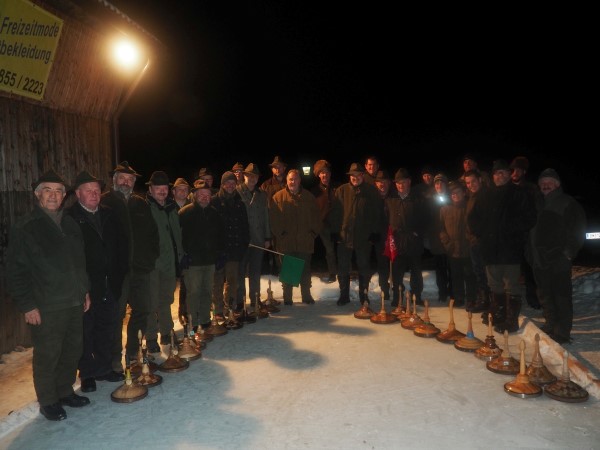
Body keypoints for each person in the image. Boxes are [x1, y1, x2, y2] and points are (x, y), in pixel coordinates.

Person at [7, 169, 91, 421]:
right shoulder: (26, 227)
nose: (53, 195)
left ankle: (64, 391)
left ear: (64, 196)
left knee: (72, 349)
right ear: (37, 194)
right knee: (48, 354)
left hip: (74, 300)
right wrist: (27, 305)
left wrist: (84, 291)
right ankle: (48, 400)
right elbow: (15, 270)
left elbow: (80, 262)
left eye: (58, 191)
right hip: (47, 304)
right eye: (47, 190)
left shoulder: (69, 223)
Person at [67, 171, 128, 393]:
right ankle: (87, 374)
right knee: (86, 331)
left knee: (107, 328)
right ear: (78, 194)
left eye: (96, 190)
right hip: (87, 287)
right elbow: (70, 257)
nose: (94, 194)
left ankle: (103, 368)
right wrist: (80, 286)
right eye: (88, 190)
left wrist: (119, 275)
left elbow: (122, 246)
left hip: (109, 284)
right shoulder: (70, 218)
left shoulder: (109, 214)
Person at [100, 161, 159, 370]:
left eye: (130, 179)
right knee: (116, 315)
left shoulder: (140, 203)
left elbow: (153, 234)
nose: (126, 182)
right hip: (117, 272)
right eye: (122, 178)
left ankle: (134, 351)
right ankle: (114, 358)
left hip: (141, 269)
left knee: (142, 310)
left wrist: (150, 258)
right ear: (114, 180)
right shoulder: (104, 202)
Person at [468, 159, 536, 333]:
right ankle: (498, 313)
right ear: (493, 176)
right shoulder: (485, 194)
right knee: (494, 284)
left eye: (504, 173)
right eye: (497, 173)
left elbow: (529, 218)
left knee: (511, 285)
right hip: (490, 248)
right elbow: (473, 218)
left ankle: (511, 320)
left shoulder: (519, 193)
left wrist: (511, 230)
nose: (500, 176)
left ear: (509, 174)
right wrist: (482, 234)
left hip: (510, 248)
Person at [527, 168, 586, 344]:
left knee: (561, 296)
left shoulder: (567, 203)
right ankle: (551, 323)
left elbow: (578, 229)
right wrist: (529, 253)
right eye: (543, 183)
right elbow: (529, 231)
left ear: (557, 185)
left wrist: (568, 253)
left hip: (559, 259)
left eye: (549, 182)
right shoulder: (537, 203)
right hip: (539, 259)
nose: (545, 185)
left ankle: (562, 331)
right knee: (545, 295)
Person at [144, 171, 184, 352]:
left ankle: (167, 332)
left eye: (165, 188)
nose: (162, 191)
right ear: (151, 189)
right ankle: (151, 337)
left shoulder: (171, 208)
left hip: (169, 262)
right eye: (158, 188)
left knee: (166, 299)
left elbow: (177, 234)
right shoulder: (146, 208)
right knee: (151, 301)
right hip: (152, 264)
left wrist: (181, 256)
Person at [330, 163, 381, 305]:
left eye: (358, 175)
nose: (355, 178)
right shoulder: (341, 190)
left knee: (364, 266)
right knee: (343, 267)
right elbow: (335, 213)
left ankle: (364, 295)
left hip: (364, 237)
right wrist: (335, 232)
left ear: (363, 176)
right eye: (353, 175)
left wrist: (375, 232)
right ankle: (344, 295)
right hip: (344, 236)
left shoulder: (371, 191)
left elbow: (376, 213)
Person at [269, 169, 322, 304]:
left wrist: (313, 233)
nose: (293, 182)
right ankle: (288, 297)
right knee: (288, 269)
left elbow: (317, 217)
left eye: (295, 179)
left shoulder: (309, 197)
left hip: (305, 240)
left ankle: (306, 296)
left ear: (300, 180)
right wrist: (281, 234)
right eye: (290, 179)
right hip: (287, 241)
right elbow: (273, 219)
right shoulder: (278, 197)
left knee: (305, 269)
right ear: (286, 181)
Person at [179, 180, 224, 330]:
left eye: (207, 195)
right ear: (195, 195)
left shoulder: (214, 213)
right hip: (192, 262)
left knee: (207, 291)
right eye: (201, 194)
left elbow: (220, 236)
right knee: (193, 293)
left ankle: (205, 320)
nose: (205, 197)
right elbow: (178, 237)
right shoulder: (185, 213)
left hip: (209, 261)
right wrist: (182, 255)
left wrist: (219, 253)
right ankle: (193, 323)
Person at [384, 168, 428, 306]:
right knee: (397, 272)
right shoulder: (391, 199)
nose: (400, 185)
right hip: (397, 241)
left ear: (409, 182)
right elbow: (386, 218)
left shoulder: (419, 199)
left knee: (416, 271)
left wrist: (417, 232)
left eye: (403, 182)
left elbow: (426, 218)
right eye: (398, 183)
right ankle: (397, 297)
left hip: (413, 241)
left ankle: (417, 296)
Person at [211, 171, 250, 318]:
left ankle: (230, 307)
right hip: (218, 250)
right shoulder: (214, 201)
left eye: (233, 183)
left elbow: (245, 226)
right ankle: (218, 310)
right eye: (227, 183)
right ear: (222, 184)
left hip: (234, 249)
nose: (230, 186)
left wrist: (244, 244)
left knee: (232, 281)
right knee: (217, 281)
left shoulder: (240, 203)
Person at [236, 163, 271, 307]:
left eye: (255, 176)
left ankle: (255, 299)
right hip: (242, 240)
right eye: (249, 175)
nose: (252, 178)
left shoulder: (262, 194)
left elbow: (265, 216)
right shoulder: (237, 192)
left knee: (255, 272)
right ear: (244, 176)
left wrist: (267, 237)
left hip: (258, 238)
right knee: (240, 272)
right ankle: (240, 301)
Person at [510, 156, 542, 309]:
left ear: (524, 172)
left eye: (518, 170)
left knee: (529, 268)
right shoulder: (506, 188)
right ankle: (512, 300)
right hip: (511, 236)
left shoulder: (531, 188)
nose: (515, 173)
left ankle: (533, 298)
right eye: (513, 170)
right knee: (512, 270)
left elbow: (538, 210)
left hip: (528, 235)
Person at [439, 181, 477, 310]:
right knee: (456, 275)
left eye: (457, 192)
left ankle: (471, 298)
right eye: (452, 193)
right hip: (453, 248)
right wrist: (447, 243)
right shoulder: (445, 209)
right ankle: (459, 297)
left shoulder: (469, 207)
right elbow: (441, 229)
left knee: (470, 274)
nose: (455, 195)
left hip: (468, 248)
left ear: (463, 193)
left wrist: (472, 241)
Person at [463, 169, 491, 315]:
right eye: (468, 183)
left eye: (473, 181)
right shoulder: (472, 196)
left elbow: (486, 220)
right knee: (479, 272)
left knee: (485, 273)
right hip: (474, 241)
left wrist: (478, 236)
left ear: (480, 180)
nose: (470, 185)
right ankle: (484, 300)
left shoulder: (485, 196)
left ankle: (487, 302)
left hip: (483, 241)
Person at [426, 173, 452, 304]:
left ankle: (453, 293)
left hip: (451, 239)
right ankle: (442, 293)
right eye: (436, 183)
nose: (439, 185)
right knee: (440, 268)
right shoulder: (430, 200)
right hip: (436, 239)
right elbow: (427, 219)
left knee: (452, 268)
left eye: (441, 183)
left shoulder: (452, 197)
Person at [311, 159, 338, 284]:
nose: (325, 175)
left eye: (326, 172)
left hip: (338, 225)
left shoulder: (338, 187)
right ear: (318, 175)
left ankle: (342, 272)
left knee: (340, 250)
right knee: (329, 250)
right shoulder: (314, 191)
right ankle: (332, 272)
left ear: (330, 174)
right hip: (322, 226)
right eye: (322, 173)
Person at [171, 177, 192, 324]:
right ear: (174, 191)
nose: (183, 192)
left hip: (186, 251)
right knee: (169, 286)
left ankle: (184, 311)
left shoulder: (192, 207)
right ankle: (162, 316)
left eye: (185, 190)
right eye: (180, 189)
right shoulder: (168, 207)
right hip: (171, 252)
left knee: (186, 285)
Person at [373, 170, 395, 301]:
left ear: (389, 183)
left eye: (385, 182)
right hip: (378, 236)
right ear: (376, 184)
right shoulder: (372, 198)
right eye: (379, 182)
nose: (382, 185)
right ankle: (384, 289)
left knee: (396, 262)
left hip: (393, 235)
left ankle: (397, 288)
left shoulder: (394, 197)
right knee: (382, 264)